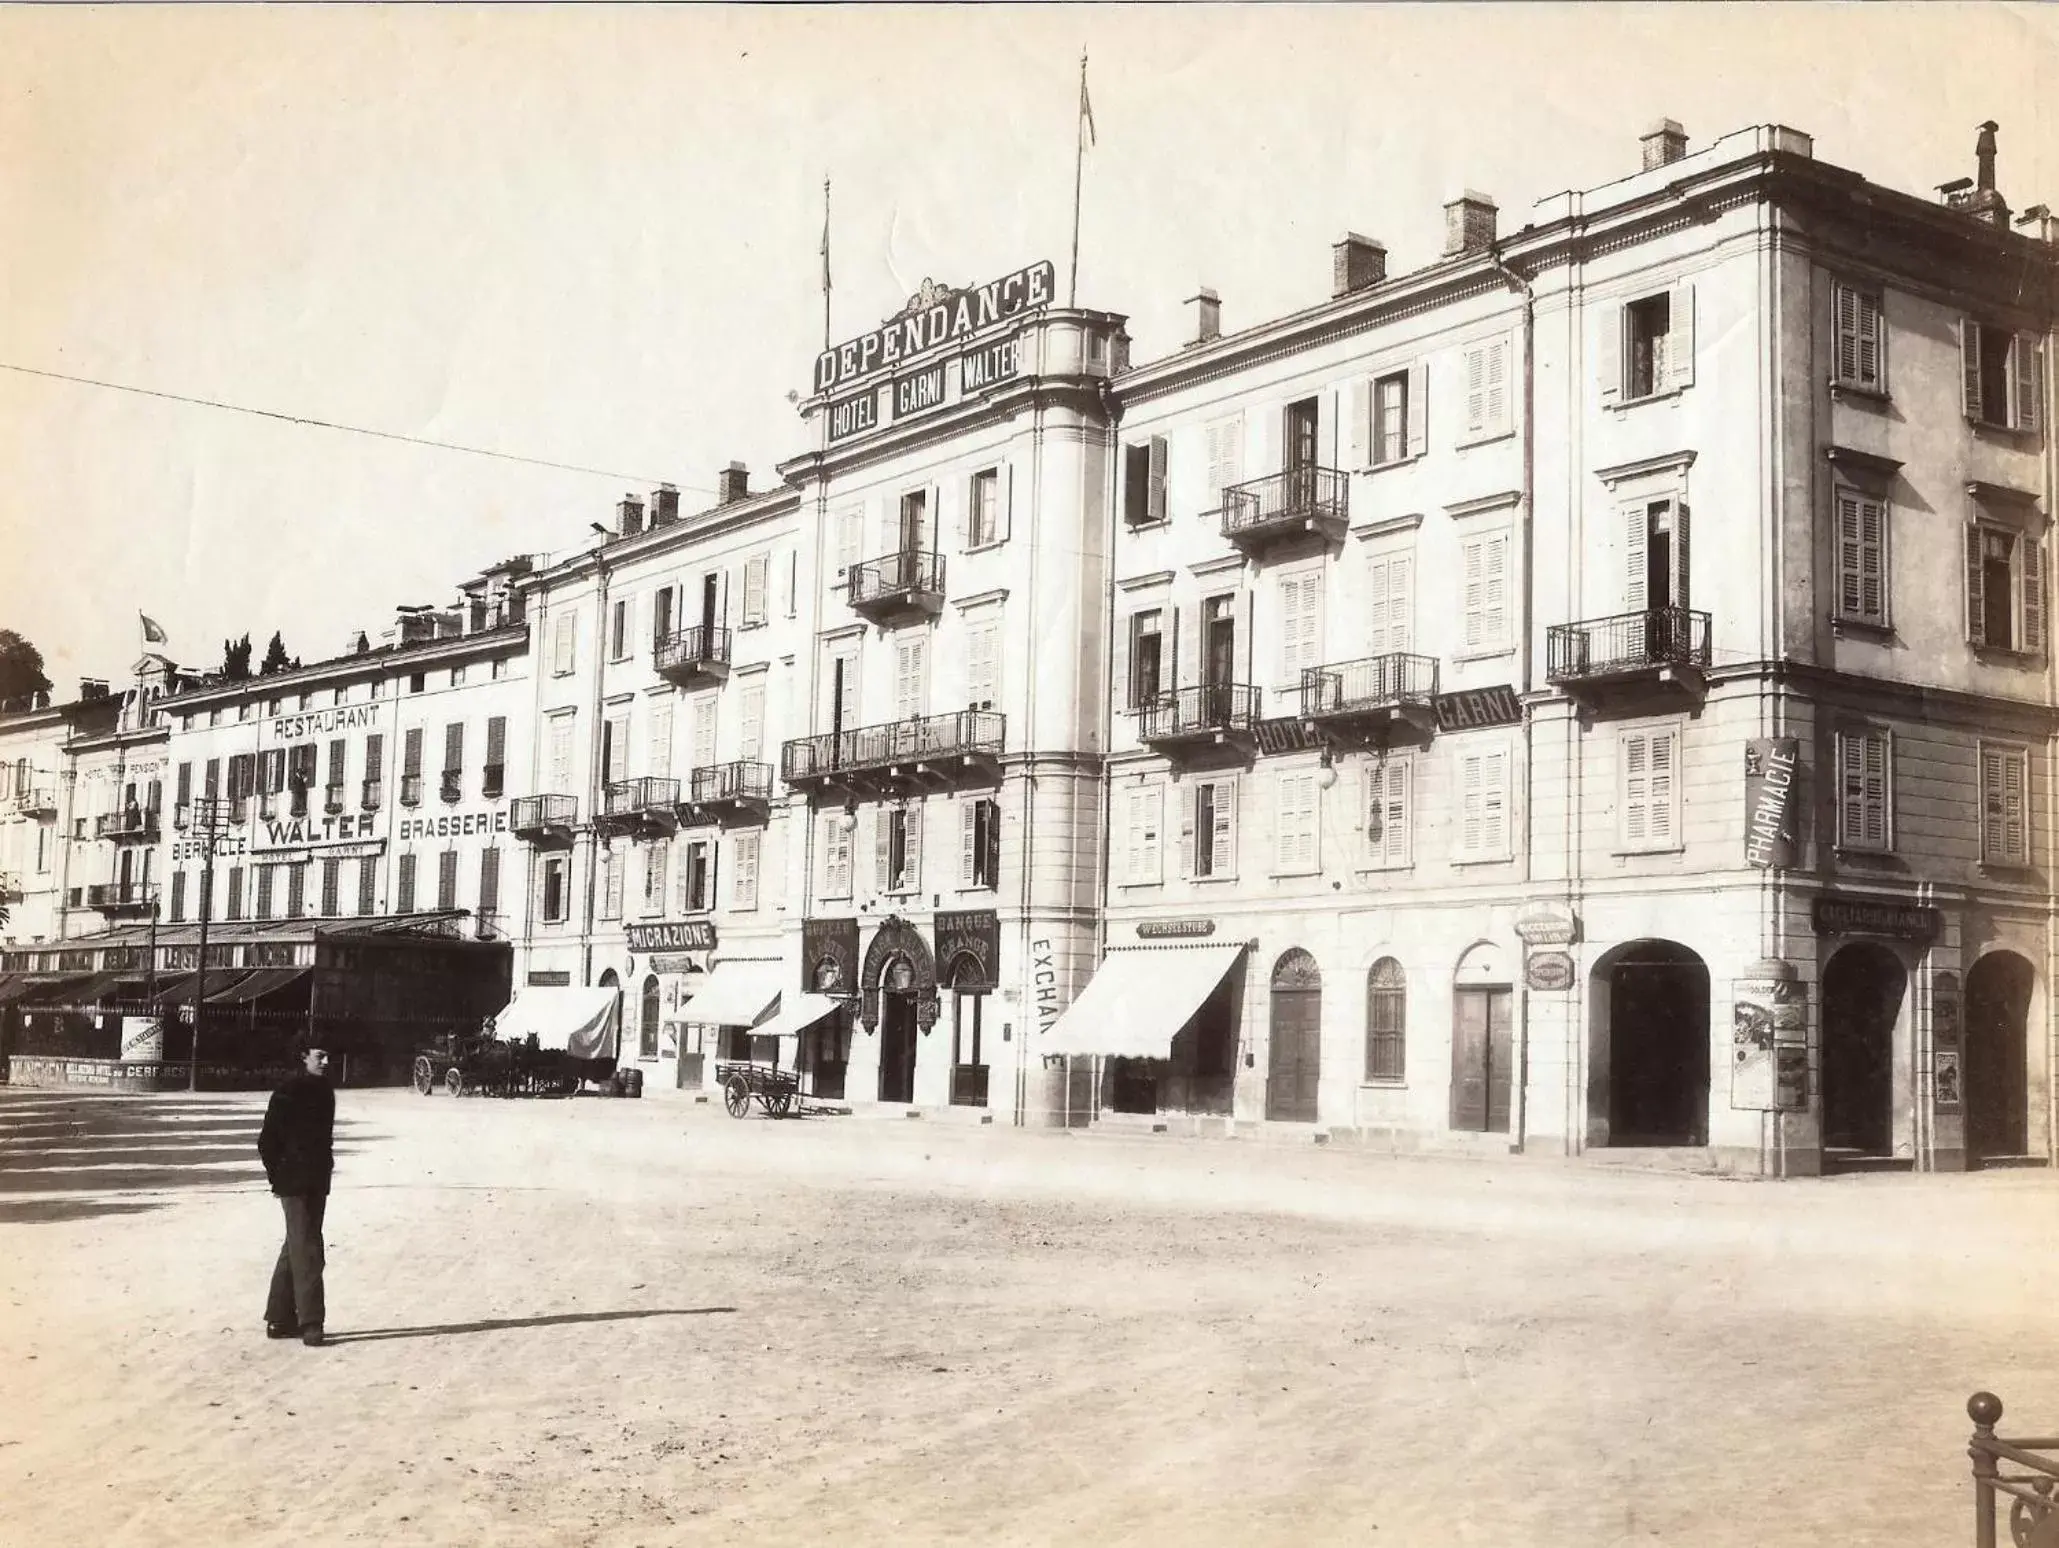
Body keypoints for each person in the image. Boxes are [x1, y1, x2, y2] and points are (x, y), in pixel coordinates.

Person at [258, 1039, 336, 1346]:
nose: (326, 1061)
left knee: (297, 1244)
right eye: (321, 1055)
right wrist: (278, 1177)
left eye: (328, 1055)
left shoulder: (326, 1091)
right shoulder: (287, 1091)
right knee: (308, 1250)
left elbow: (324, 1139)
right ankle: (311, 1322)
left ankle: (279, 1318)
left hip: (317, 1179)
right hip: (293, 1181)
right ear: (303, 1056)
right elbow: (267, 1141)